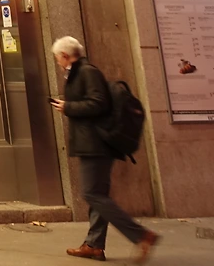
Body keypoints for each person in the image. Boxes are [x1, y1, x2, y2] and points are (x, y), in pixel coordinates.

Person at [50, 36, 160, 263]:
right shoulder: (78, 72)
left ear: (65, 55)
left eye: (57, 57)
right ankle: (94, 245)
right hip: (93, 142)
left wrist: (69, 107)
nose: (57, 62)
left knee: (91, 194)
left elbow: (98, 103)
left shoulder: (87, 72)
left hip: (96, 144)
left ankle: (141, 235)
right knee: (98, 195)